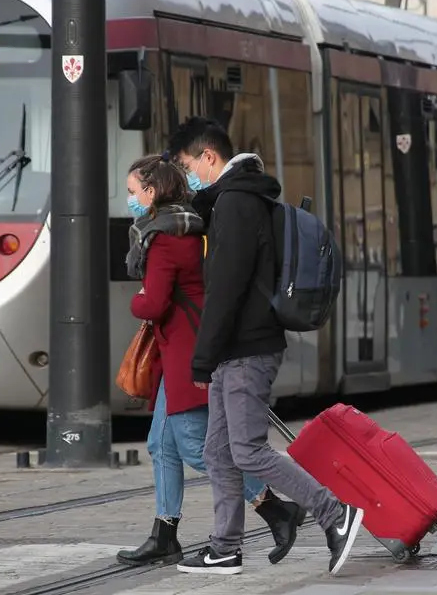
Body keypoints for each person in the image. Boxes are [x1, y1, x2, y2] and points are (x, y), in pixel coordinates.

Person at [167, 117, 365, 576]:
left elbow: (227, 288)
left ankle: (335, 514)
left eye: (187, 165)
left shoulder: (236, 204)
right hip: (236, 349)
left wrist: (203, 355)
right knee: (219, 450)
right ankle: (225, 547)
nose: (187, 176)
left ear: (209, 157)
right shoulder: (236, 199)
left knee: (248, 449)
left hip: (246, 349)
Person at [116, 153, 306, 569]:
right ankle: (165, 534)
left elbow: (154, 302)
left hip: (186, 349)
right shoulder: (184, 227)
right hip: (178, 348)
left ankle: (276, 507)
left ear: (150, 193)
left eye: (132, 192)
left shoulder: (164, 238)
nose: (129, 199)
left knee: (203, 450)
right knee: (161, 444)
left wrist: (135, 302)